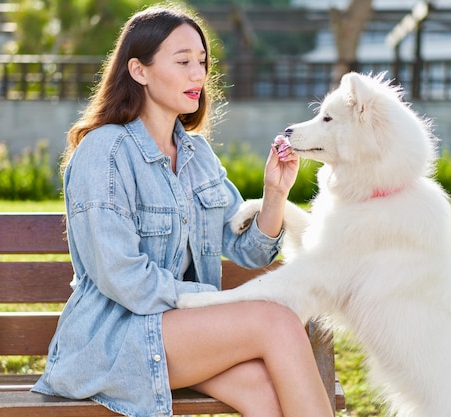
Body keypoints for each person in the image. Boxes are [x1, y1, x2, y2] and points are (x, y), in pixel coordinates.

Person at [31, 5, 333, 417]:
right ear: (139, 70)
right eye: (184, 62)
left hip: (180, 335)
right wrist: (216, 304)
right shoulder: (104, 152)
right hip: (113, 340)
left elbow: (249, 251)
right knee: (276, 322)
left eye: (203, 63)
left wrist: (275, 194)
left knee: (263, 392)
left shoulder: (197, 154)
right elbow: (123, 279)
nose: (198, 75)